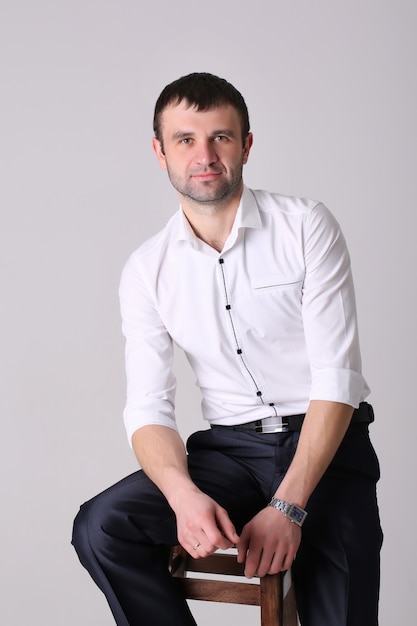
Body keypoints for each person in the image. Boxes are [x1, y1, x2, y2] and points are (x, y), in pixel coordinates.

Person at [72, 72, 382, 626]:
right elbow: (148, 408)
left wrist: (288, 506)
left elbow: (338, 379)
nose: (205, 154)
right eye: (186, 139)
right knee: (102, 526)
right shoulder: (147, 270)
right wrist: (181, 495)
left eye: (221, 136)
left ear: (246, 144)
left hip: (325, 447)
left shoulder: (306, 226)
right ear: (159, 151)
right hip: (230, 455)